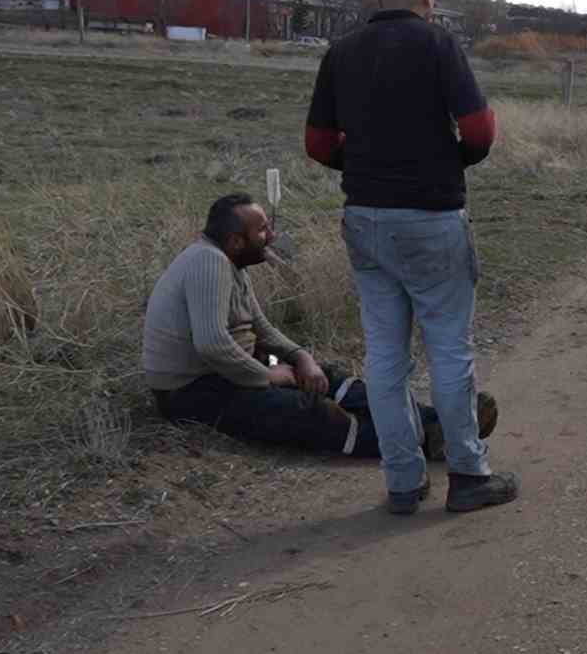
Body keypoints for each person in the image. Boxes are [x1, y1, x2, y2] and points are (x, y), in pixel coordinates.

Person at [305, 0, 517, 516]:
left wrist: (364, 165)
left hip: (365, 220)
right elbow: (479, 130)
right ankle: (468, 475)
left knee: (384, 357)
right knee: (448, 350)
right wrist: (448, 162)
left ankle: (402, 483)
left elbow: (318, 144)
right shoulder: (438, 43)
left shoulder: (341, 52)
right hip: (431, 218)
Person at [142, 194, 499, 463]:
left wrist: (301, 358)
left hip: (229, 370)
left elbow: (260, 327)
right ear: (236, 240)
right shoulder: (209, 263)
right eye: (262, 230)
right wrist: (266, 375)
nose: (271, 235)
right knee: (306, 410)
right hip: (192, 390)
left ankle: (441, 424)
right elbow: (212, 344)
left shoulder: (230, 261)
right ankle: (420, 440)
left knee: (330, 380)